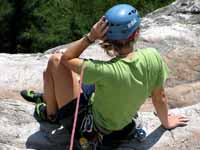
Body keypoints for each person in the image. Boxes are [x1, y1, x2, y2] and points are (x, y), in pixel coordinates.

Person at [21, 3, 189, 146]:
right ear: (136, 33)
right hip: (121, 127)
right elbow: (159, 97)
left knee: (54, 62)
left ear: (107, 36)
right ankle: (51, 99)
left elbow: (66, 59)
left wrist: (90, 37)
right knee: (82, 80)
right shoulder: (153, 57)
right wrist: (166, 122)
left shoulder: (103, 71)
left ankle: (50, 114)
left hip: (89, 127)